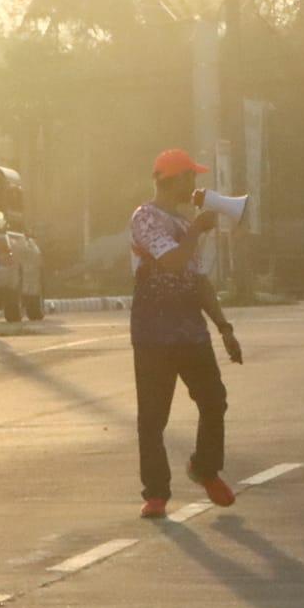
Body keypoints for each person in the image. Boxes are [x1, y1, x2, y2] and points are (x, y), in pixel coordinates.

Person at [128, 148, 241, 518]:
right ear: (172, 179)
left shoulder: (182, 221)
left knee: (214, 401)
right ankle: (156, 493)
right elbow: (172, 261)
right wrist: (195, 230)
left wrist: (224, 327)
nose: (194, 184)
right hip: (153, 334)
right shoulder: (145, 218)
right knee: (152, 418)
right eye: (190, 177)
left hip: (191, 331)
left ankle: (205, 468)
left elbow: (198, 280)